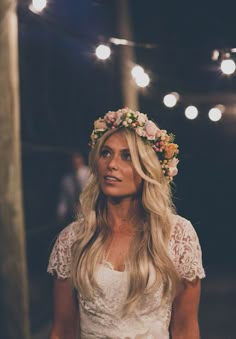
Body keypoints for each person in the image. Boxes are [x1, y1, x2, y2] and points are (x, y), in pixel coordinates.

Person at [48, 107, 205, 339]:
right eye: (106, 153)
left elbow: (185, 329)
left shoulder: (177, 234)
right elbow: (63, 330)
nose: (112, 164)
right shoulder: (73, 239)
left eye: (127, 156)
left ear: (147, 168)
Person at [56, 151, 90, 226]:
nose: (75, 160)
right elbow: (63, 200)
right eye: (72, 158)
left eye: (77, 157)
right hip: (74, 218)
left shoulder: (90, 174)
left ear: (82, 159)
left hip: (90, 215)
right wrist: (60, 215)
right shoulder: (66, 180)